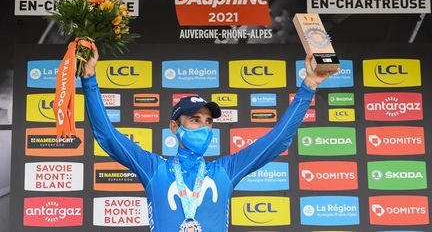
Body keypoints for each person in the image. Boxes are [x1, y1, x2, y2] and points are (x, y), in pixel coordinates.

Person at [81, 43, 335, 232]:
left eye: (208, 121)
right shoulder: (154, 169)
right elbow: (108, 136)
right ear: (174, 127)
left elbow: (277, 140)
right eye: (194, 120)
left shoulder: (225, 170)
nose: (203, 127)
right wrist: (89, 79)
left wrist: (308, 86)